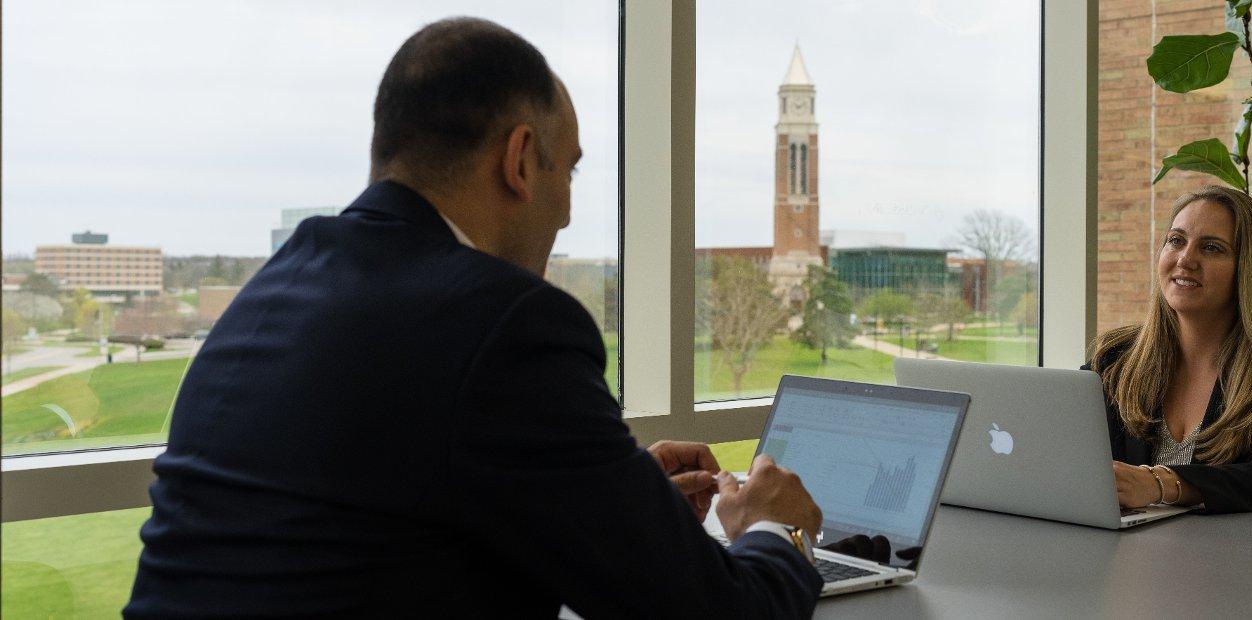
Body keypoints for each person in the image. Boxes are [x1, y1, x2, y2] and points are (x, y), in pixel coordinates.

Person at [125, 18, 823, 618]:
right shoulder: (507, 323)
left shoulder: (277, 288)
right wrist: (779, 530)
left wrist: (603, 490)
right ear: (520, 161)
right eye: (569, 174)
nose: (569, 211)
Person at [1085, 185, 1252, 525]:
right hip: (1132, 560)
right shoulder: (1114, 359)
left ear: (1249, 270)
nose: (1186, 259)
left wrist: (1161, 484)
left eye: (1211, 248)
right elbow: (1069, 454)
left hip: (1251, 563)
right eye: (1176, 240)